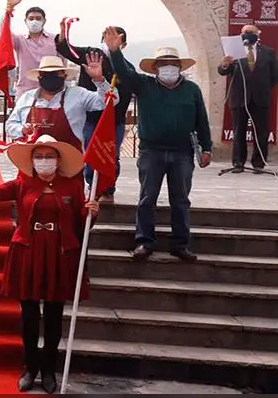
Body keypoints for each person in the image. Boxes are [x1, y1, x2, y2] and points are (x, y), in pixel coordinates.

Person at [0, 136, 100, 393]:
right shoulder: (23, 183)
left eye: (49, 156)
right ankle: (30, 367)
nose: (44, 161)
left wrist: (91, 212)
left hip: (59, 254)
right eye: (39, 157)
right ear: (32, 161)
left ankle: (48, 370)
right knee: (29, 315)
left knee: (54, 316)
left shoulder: (72, 186)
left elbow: (81, 223)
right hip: (28, 252)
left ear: (58, 160)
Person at [105, 29, 212, 262]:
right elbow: (123, 72)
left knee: (181, 200)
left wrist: (207, 148)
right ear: (154, 68)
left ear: (180, 67)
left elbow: (201, 121)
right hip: (151, 151)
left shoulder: (192, 90)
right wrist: (114, 51)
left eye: (173, 64)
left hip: (182, 152)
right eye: (163, 64)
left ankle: (180, 244)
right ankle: (144, 241)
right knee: (147, 198)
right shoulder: (144, 85)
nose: (168, 68)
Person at [56, 26, 135, 201]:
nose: (110, 42)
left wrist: (114, 116)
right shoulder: (90, 55)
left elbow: (125, 97)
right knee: (90, 155)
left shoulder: (127, 68)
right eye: (107, 38)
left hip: (114, 122)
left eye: (115, 39)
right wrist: (63, 32)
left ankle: (108, 189)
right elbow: (66, 49)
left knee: (111, 156)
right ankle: (93, 187)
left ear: (123, 45)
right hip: (90, 120)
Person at [5, 55, 117, 150]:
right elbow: (10, 125)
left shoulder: (78, 94)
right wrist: (22, 130)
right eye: (45, 74)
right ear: (39, 77)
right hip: (32, 162)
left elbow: (111, 101)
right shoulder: (27, 97)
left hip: (71, 163)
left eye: (55, 73)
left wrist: (99, 79)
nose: (50, 77)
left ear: (64, 75)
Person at [218, 23, 278, 173]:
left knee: (261, 132)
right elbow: (223, 71)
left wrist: (262, 87)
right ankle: (238, 162)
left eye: (251, 32)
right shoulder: (233, 52)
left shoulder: (268, 52)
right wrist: (224, 65)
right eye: (245, 32)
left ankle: (258, 163)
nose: (247, 34)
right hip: (239, 98)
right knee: (238, 131)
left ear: (257, 34)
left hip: (260, 98)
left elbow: (274, 76)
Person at [5, 0, 57, 100]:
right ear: (26, 21)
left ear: (44, 21)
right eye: (31, 18)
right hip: (25, 92)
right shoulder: (19, 40)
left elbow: (62, 63)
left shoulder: (55, 40)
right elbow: (4, 31)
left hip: (51, 92)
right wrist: (9, 9)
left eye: (38, 18)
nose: (34, 21)